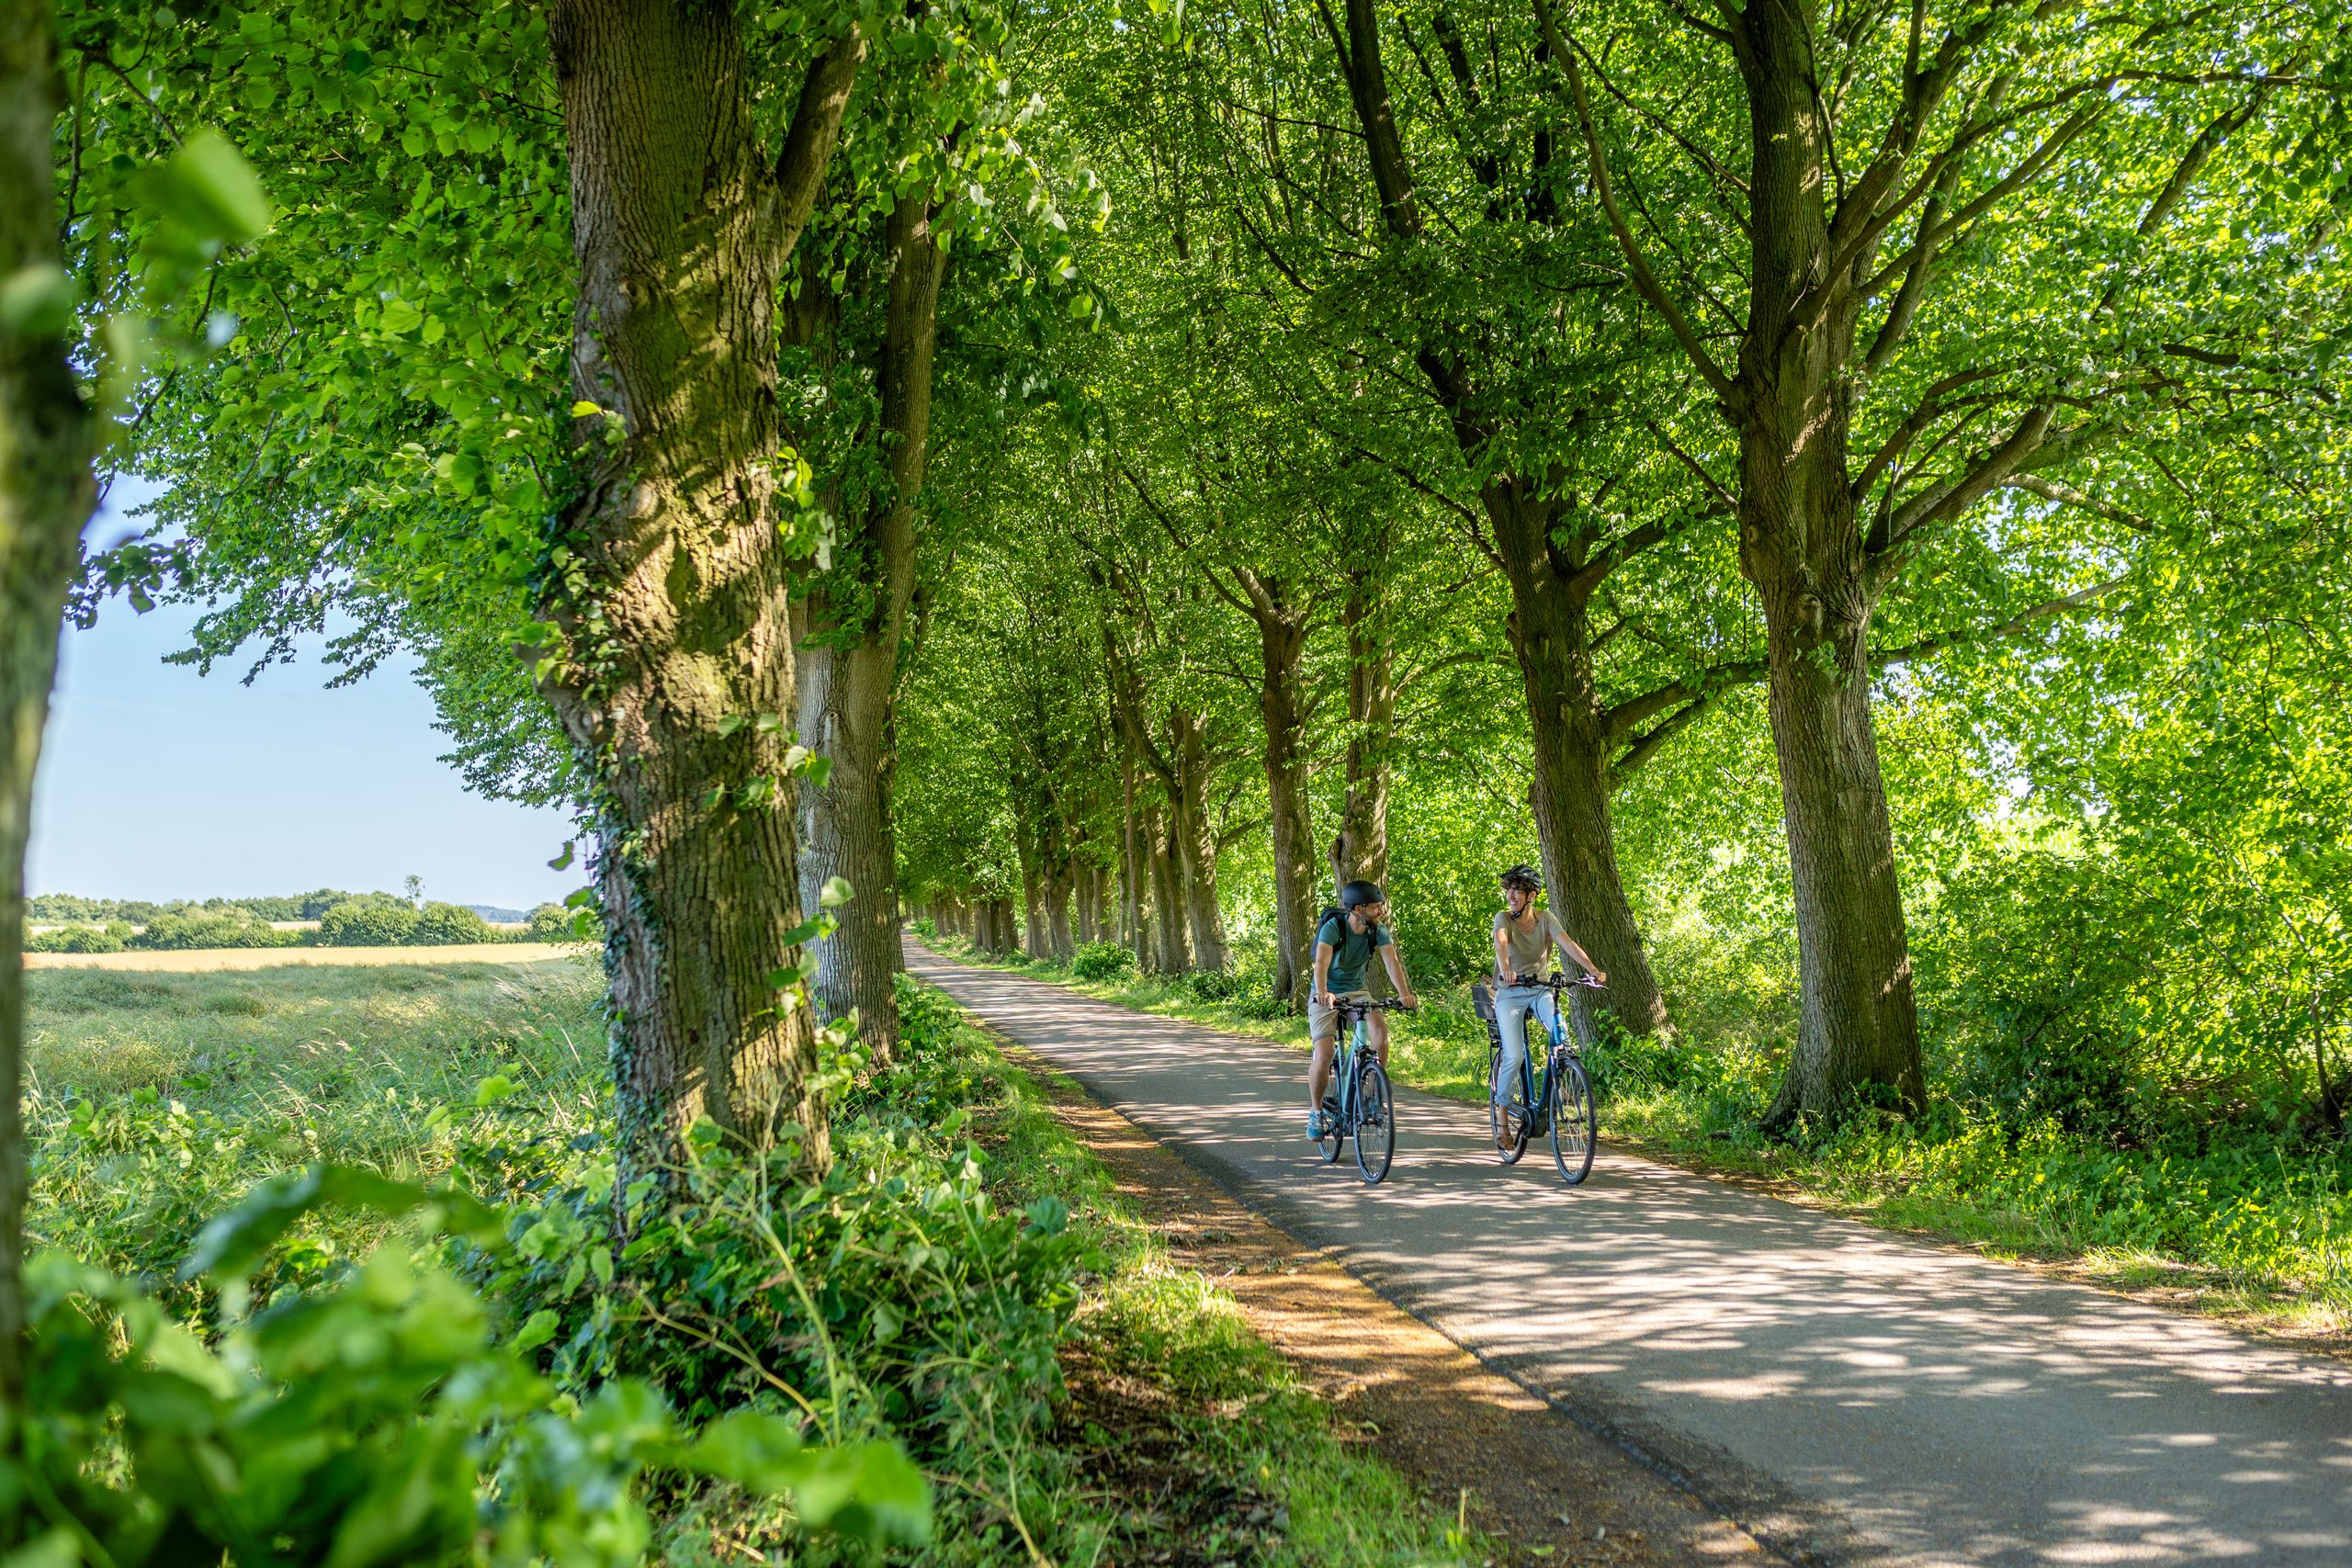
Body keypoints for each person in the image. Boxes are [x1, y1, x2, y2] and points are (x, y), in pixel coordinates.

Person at [1490, 863, 1604, 1141]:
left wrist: (1591, 969)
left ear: (1532, 895)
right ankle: (1502, 1114)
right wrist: (1506, 968)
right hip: (1510, 992)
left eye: (1518, 890)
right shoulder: (1503, 918)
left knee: (1559, 1035)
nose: (1512, 895)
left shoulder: (1546, 918)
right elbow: (1501, 944)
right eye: (1510, 889)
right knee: (1514, 1055)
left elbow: (1567, 942)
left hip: (1540, 988)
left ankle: (1561, 1075)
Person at [1306, 879, 1418, 1138]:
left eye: (1381, 906)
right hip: (1325, 991)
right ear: (1358, 909)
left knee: (1380, 1033)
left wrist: (1404, 995)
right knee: (1323, 1053)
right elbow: (1321, 962)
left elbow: (1392, 962)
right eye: (1375, 907)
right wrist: (1322, 992)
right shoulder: (1334, 927)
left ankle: (1370, 1098)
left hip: (1357, 990)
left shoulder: (1377, 930)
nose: (1380, 911)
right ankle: (1316, 1112)